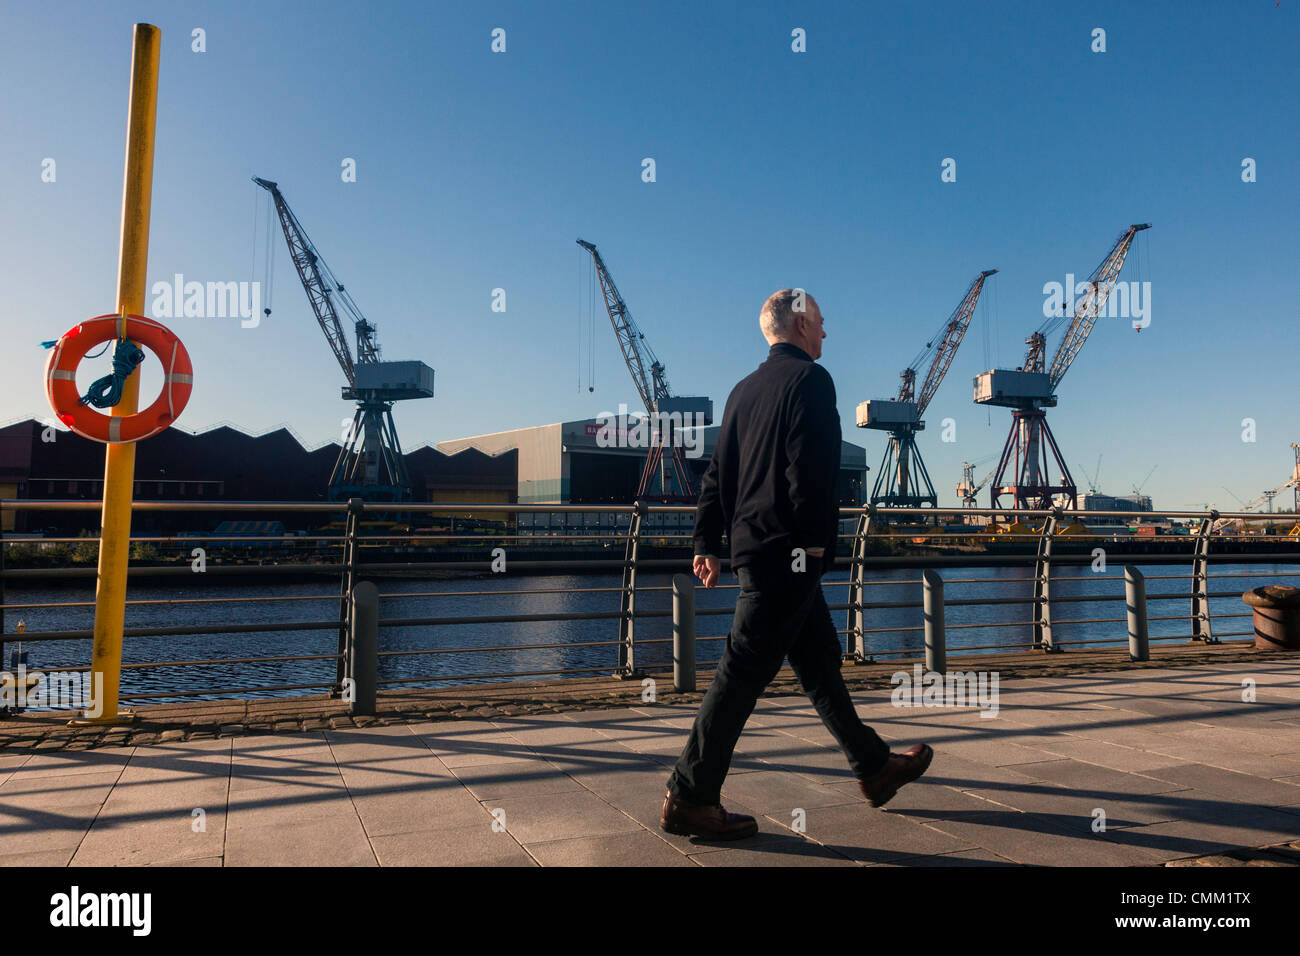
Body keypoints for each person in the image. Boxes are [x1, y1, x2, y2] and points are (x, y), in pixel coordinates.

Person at [660, 288, 933, 840]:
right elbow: (809, 469)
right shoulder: (811, 380)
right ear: (803, 323)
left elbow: (717, 474)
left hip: (755, 548)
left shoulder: (742, 390)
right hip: (789, 552)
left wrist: (705, 543)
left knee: (817, 663)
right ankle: (690, 795)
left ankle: (874, 767)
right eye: (823, 323)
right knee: (739, 673)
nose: (827, 333)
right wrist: (811, 545)